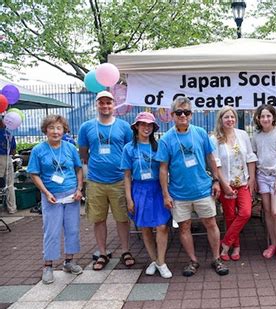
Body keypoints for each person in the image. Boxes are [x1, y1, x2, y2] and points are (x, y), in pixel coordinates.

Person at [157, 97, 229, 276]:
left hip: (202, 189)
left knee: (211, 223)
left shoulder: (200, 133)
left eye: (187, 112)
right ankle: (193, 260)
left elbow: (211, 158)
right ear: (172, 115)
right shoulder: (166, 139)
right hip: (179, 193)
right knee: (184, 227)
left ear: (191, 114)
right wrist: (166, 194)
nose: (183, 116)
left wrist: (216, 180)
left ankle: (216, 258)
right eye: (179, 112)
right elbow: (163, 168)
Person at [78, 91, 134, 270]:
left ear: (114, 104)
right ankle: (102, 253)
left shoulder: (124, 127)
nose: (105, 106)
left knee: (122, 218)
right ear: (97, 105)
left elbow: (130, 151)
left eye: (108, 103)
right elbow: (83, 153)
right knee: (98, 219)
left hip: (119, 180)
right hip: (95, 181)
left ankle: (125, 251)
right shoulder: (86, 127)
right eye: (101, 103)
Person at [27, 115, 83, 284]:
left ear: (64, 130)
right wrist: (45, 192)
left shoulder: (70, 148)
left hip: (71, 195)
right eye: (52, 128)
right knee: (51, 231)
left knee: (72, 229)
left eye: (59, 128)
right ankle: (48, 266)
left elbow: (78, 168)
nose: (55, 131)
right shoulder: (38, 150)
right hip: (51, 196)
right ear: (46, 130)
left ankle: (69, 262)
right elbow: (34, 173)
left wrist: (79, 189)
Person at [121, 112, 172, 278]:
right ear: (136, 126)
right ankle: (154, 260)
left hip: (157, 188)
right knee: (145, 227)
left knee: (162, 226)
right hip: (139, 189)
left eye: (149, 125)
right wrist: (129, 199)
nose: (146, 127)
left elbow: (166, 169)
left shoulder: (159, 146)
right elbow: (127, 176)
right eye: (142, 124)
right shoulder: (128, 148)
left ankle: (161, 262)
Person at [211, 106, 257, 261]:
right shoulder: (214, 138)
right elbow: (215, 164)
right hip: (226, 184)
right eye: (226, 117)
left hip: (243, 182)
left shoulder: (242, 135)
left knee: (245, 213)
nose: (230, 120)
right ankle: (236, 247)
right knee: (230, 216)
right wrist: (224, 185)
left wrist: (252, 179)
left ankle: (225, 243)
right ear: (220, 119)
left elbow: (250, 157)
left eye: (232, 117)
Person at [252, 104, 276, 263]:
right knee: (267, 211)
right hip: (262, 176)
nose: (265, 119)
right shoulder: (256, 136)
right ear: (258, 119)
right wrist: (253, 178)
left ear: (273, 117)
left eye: (268, 116)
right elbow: (253, 158)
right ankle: (273, 244)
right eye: (262, 116)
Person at [0, 118, 17, 214]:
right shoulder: (10, 134)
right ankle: (12, 208)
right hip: (8, 158)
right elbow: (14, 152)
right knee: (10, 185)